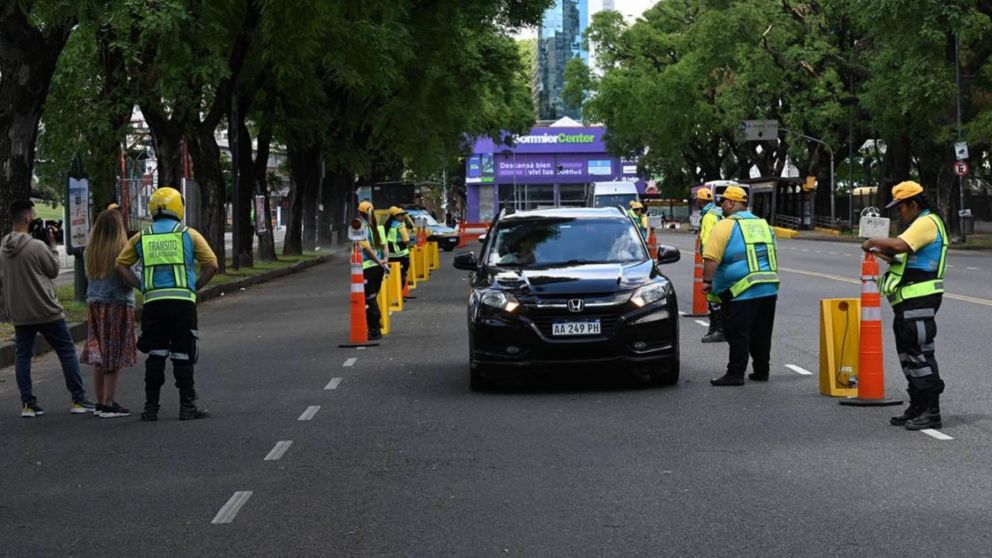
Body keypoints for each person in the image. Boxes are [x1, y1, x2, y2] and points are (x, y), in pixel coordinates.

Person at [115, 187, 218, 421]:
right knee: (183, 353)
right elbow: (212, 264)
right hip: (182, 304)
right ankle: (187, 406)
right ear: (178, 208)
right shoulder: (189, 234)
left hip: (154, 304)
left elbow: (120, 264)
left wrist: (141, 285)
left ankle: (151, 407)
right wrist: (195, 287)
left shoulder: (142, 237)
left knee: (156, 353)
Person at [861, 181, 947, 430]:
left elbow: (900, 246)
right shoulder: (917, 224)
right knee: (908, 355)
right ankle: (917, 406)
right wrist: (877, 249)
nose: (900, 212)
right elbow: (901, 256)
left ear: (913, 203)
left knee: (920, 355)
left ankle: (932, 412)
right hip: (907, 300)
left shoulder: (926, 222)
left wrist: (875, 241)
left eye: (901, 207)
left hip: (919, 298)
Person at [1, 200, 95, 417]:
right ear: (27, 218)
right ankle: (79, 399)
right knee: (66, 350)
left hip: (20, 312)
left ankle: (28, 404)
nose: (35, 218)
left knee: (23, 355)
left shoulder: (4, 245)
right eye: (33, 215)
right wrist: (52, 246)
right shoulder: (37, 246)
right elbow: (53, 270)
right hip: (46, 309)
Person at [701, 186, 779, 386]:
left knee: (737, 332)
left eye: (724, 202)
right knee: (761, 333)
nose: (722, 207)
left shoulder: (725, 225)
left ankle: (735, 374)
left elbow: (711, 258)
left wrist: (707, 282)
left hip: (742, 290)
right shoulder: (763, 224)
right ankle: (762, 371)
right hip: (769, 287)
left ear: (731, 203)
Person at [81, 209, 137, 418]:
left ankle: (99, 402)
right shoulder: (122, 250)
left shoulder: (90, 250)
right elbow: (128, 278)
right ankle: (109, 402)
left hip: (95, 304)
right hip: (118, 305)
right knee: (114, 354)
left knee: (99, 355)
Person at [696, 187, 725, 343]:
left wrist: (708, 265)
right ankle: (718, 328)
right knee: (719, 295)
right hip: (723, 259)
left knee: (712, 296)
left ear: (701, 201)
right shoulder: (718, 212)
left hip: (713, 261)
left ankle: (718, 330)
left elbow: (708, 242)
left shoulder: (708, 217)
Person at [358, 201, 389, 340]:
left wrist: (378, 261)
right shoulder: (379, 227)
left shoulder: (361, 228)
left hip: (367, 268)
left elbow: (366, 249)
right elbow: (385, 246)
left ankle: (375, 329)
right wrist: (384, 263)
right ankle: (376, 322)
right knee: (373, 298)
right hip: (379, 269)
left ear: (360, 213)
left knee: (369, 300)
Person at [384, 206, 411, 296]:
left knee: (392, 276)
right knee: (402, 275)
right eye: (401, 215)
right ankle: (398, 295)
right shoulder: (400, 225)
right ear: (396, 216)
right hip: (402, 254)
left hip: (390, 256)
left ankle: (393, 294)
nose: (403, 217)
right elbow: (406, 240)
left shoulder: (386, 225)